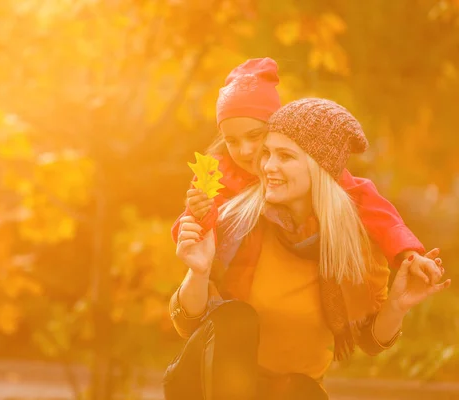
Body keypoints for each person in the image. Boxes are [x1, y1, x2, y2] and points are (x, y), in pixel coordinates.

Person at [163, 98, 451, 400]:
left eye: (285, 156)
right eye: (268, 153)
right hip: (206, 383)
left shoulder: (354, 242)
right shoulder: (239, 219)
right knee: (236, 318)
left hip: (287, 390)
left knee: (304, 391)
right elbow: (188, 323)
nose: (268, 166)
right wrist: (199, 271)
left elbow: (368, 339)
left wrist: (397, 305)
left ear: (319, 167)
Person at [171, 57, 441, 283]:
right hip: (230, 294)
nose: (244, 151)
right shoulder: (217, 174)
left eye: (255, 136)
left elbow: (372, 207)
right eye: (232, 141)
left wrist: (409, 254)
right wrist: (200, 214)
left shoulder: (305, 168)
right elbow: (192, 237)